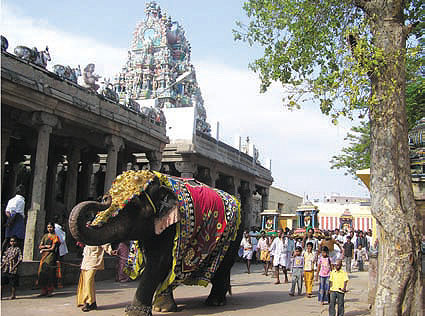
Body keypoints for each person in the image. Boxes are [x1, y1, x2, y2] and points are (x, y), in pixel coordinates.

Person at [77, 243, 117, 312]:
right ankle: (92, 302)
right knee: (86, 281)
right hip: (86, 260)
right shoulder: (87, 237)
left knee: (88, 281)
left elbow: (104, 243)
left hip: (94, 260)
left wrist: (110, 251)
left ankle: (89, 302)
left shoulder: (98, 234)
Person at [37, 222, 60, 297]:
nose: (49, 229)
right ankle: (44, 290)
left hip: (50, 256)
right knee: (42, 273)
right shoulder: (45, 236)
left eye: (51, 227)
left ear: (53, 228)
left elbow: (53, 248)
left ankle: (50, 290)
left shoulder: (55, 237)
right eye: (48, 227)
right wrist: (46, 246)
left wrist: (44, 249)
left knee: (50, 273)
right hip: (44, 256)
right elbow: (40, 246)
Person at [2, 185, 26, 252]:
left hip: (10, 218)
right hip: (18, 219)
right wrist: (11, 221)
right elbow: (17, 213)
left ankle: (2, 255)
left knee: (7, 238)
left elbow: (7, 211)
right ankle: (18, 255)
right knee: (19, 239)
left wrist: (9, 220)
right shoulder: (21, 201)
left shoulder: (11, 200)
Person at [53, 216, 68, 288]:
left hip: (60, 250)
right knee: (59, 267)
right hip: (59, 250)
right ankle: (59, 283)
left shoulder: (59, 228)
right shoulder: (57, 228)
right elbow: (62, 240)